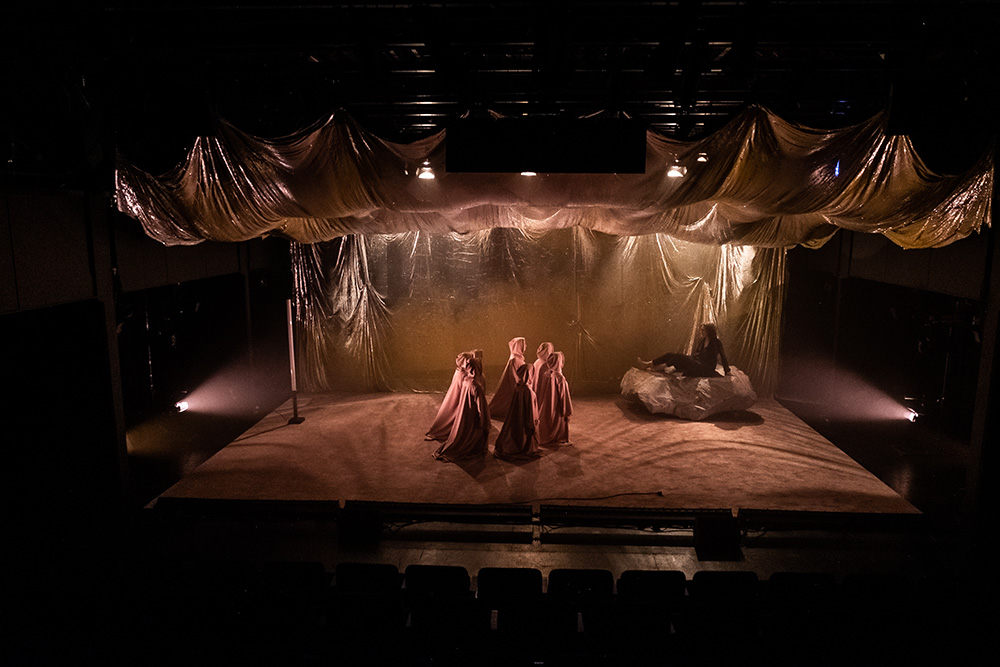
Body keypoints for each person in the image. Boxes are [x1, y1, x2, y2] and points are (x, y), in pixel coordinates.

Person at [432, 349, 490, 461]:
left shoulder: (466, 380)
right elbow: (481, 407)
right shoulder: (476, 385)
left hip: (466, 412)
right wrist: (485, 421)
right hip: (473, 414)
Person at [638, 322, 730, 378]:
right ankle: (649, 363)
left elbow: (723, 356)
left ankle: (658, 368)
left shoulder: (716, 342)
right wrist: (690, 359)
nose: (701, 332)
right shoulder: (703, 340)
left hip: (706, 368)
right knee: (670, 355)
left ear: (709, 331)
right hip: (698, 363)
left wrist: (727, 371)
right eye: (701, 330)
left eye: (703, 330)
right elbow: (698, 354)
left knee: (680, 357)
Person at [493, 363, 539, 460]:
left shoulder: (519, 387)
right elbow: (530, 410)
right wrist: (533, 424)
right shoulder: (528, 391)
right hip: (526, 421)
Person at [535, 350, 572, 446]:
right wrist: (566, 411)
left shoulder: (547, 374)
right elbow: (564, 396)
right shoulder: (560, 378)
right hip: (556, 405)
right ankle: (556, 438)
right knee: (557, 422)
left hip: (547, 404)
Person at [489, 337, 529, 421]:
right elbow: (513, 376)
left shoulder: (518, 357)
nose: (525, 346)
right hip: (516, 387)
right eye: (523, 344)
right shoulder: (514, 359)